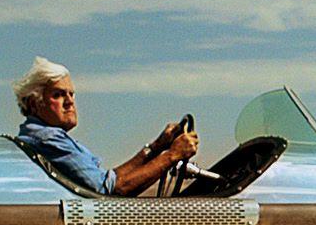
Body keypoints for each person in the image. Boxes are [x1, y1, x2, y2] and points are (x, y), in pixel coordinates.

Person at [12, 57, 198, 196]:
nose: (69, 102)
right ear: (35, 104)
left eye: (71, 94)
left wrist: (157, 147)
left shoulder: (43, 136)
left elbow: (108, 180)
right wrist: (172, 156)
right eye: (58, 95)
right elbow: (110, 190)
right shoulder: (48, 139)